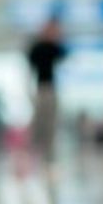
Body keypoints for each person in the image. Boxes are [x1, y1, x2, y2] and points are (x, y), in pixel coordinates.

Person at [27, 18, 67, 161]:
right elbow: (30, 59)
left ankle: (49, 153)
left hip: (51, 88)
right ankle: (37, 149)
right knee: (40, 120)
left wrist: (57, 39)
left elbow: (64, 54)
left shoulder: (53, 46)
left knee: (51, 121)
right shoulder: (38, 47)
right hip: (40, 88)